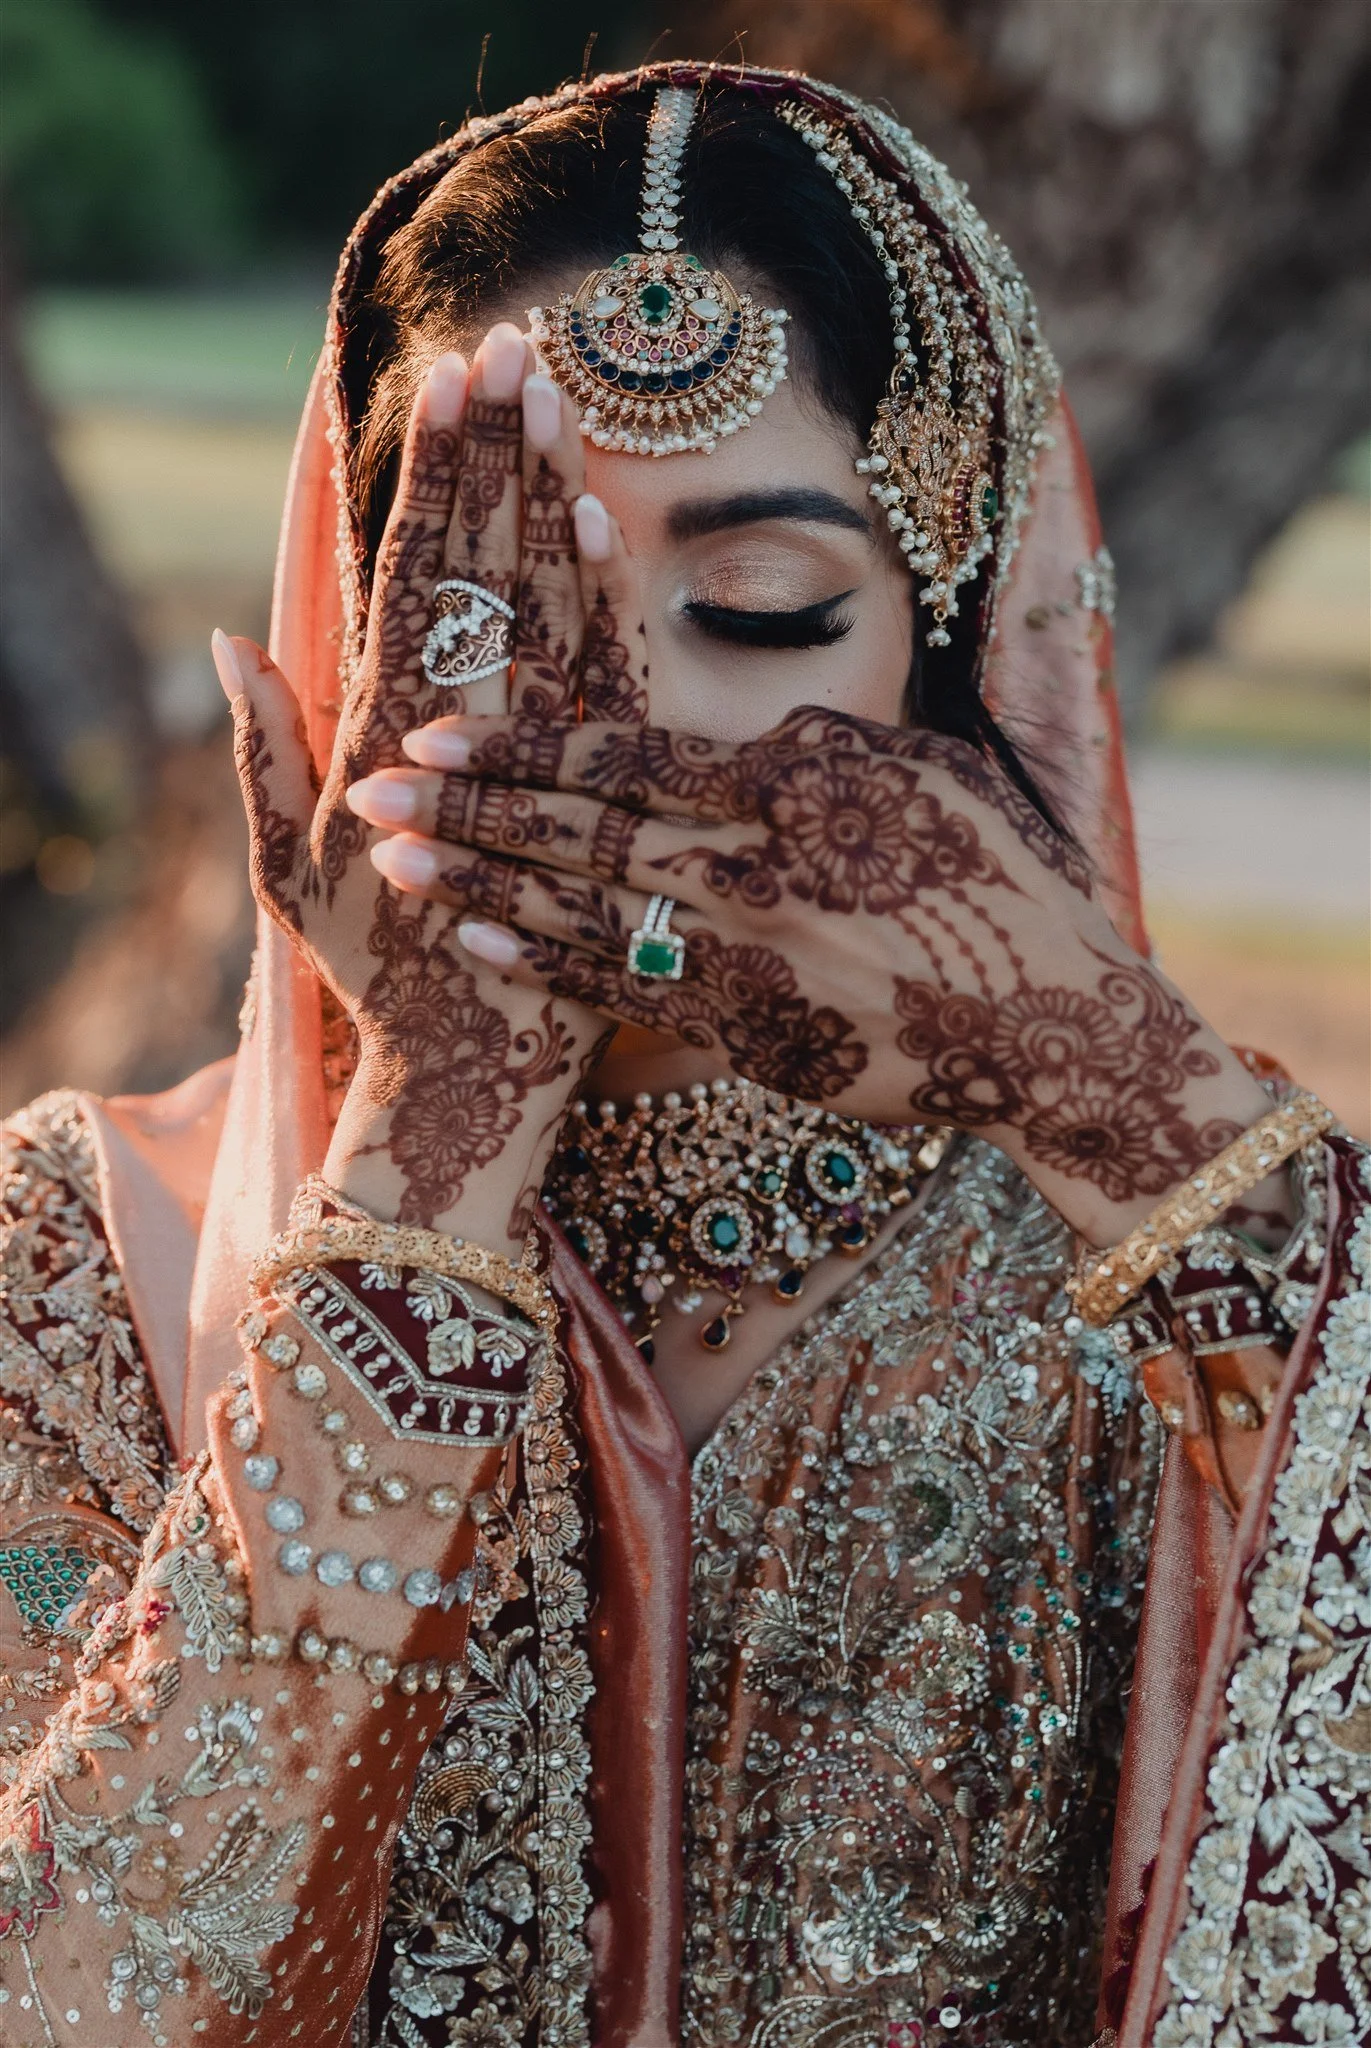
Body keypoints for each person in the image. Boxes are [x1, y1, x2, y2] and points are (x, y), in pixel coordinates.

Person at [1, 63, 1365, 2048]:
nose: (615, 727)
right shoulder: (87, 1251)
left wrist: (1121, 1094)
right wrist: (420, 1159)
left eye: (755, 605)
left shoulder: (1177, 1276)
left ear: (955, 646)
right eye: (489, 608)